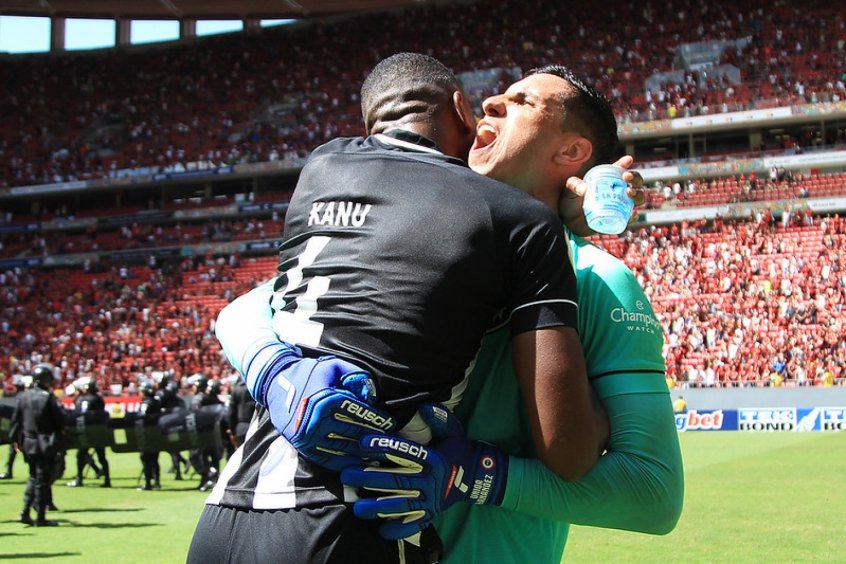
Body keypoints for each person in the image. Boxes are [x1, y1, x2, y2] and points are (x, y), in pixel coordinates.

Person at [214, 64, 684, 562]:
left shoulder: (597, 281)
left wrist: (475, 475)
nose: (492, 104)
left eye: (523, 101)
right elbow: (245, 308)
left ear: (570, 153)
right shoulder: (411, 234)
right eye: (497, 95)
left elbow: (653, 495)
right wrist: (277, 369)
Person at [9, 364, 66, 527]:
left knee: (33, 476)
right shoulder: (48, 397)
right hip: (45, 443)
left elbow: (16, 421)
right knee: (43, 479)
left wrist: (16, 441)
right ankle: (40, 516)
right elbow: (61, 419)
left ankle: (25, 511)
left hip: (28, 442)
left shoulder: (23, 396)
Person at [66, 376, 111, 488]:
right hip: (98, 431)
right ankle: (107, 480)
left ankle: (79, 479)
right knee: (102, 457)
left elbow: (78, 415)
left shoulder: (80, 399)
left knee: (81, 455)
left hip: (85, 431)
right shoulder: (98, 399)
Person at [137, 379, 161, 491]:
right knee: (155, 459)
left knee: (146, 458)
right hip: (156, 433)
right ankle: (157, 481)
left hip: (147, 434)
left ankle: (148, 483)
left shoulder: (146, 403)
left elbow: (142, 416)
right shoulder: (157, 401)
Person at [0, 374, 26, 480]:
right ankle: (9, 471)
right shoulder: (21, 396)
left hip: (22, 429)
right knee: (14, 450)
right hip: (21, 429)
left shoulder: (21, 397)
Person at [226, 374, 255, 449]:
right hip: (256, 424)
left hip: (241, 428)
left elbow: (231, 413)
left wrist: (232, 431)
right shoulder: (255, 387)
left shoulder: (236, 389)